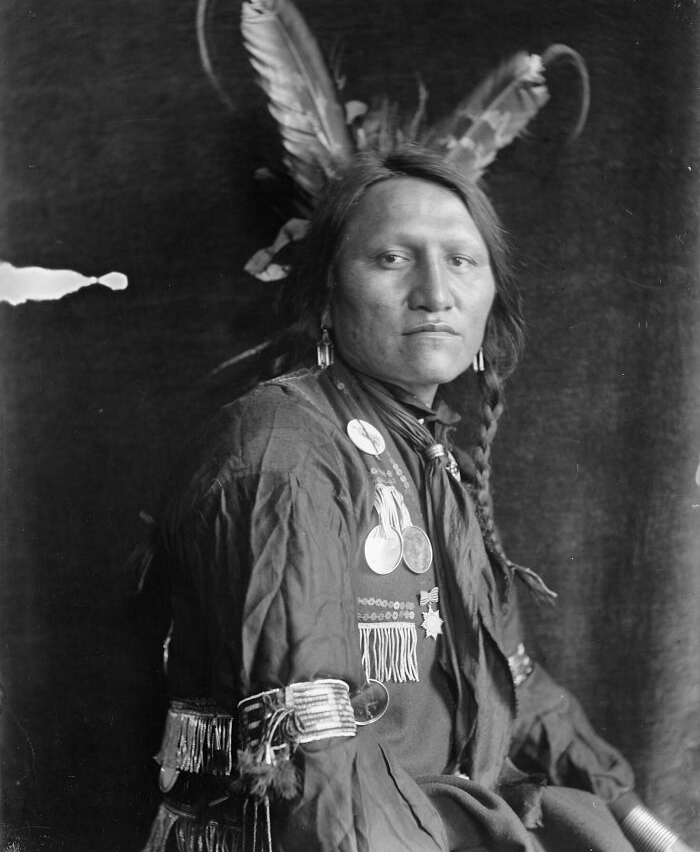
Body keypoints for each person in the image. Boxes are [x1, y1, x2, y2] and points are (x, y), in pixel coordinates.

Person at [141, 149, 693, 852]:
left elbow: (515, 684)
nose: (436, 292)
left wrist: (643, 823)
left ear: (491, 297)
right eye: (393, 259)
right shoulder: (284, 450)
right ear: (326, 294)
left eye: (462, 260)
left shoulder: (435, 462)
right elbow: (314, 754)